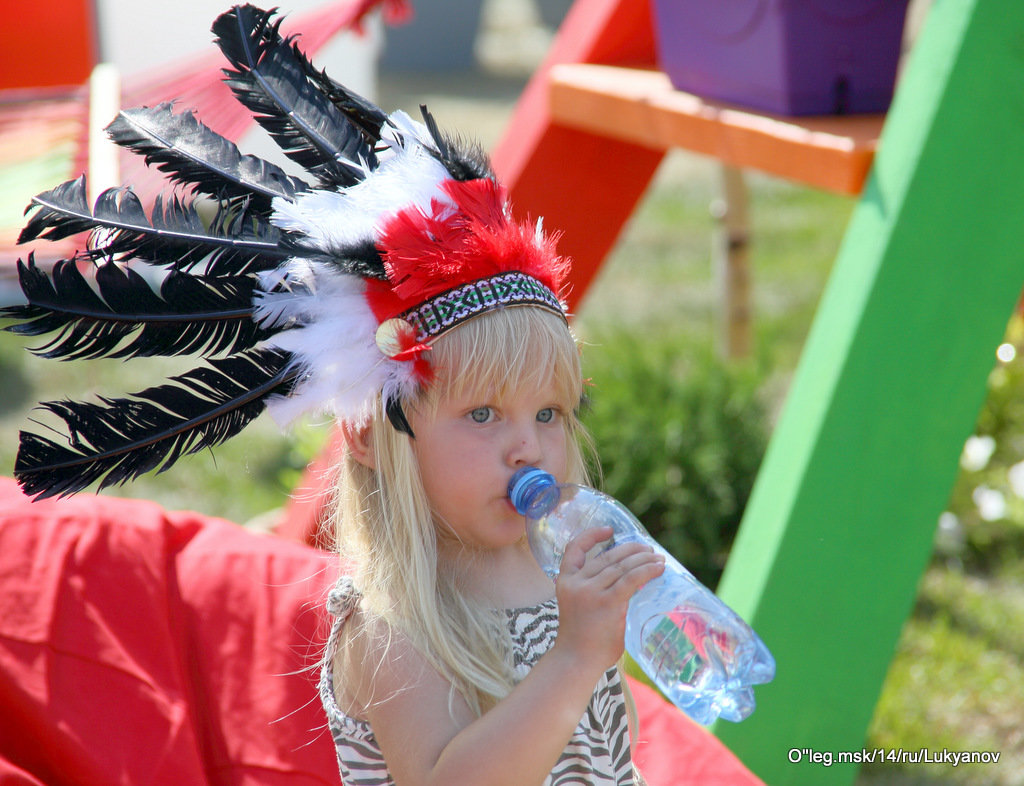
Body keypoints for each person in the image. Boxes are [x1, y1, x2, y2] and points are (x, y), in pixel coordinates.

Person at [2, 4, 661, 784]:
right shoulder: (397, 627)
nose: (529, 445)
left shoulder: (555, 570)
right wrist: (578, 658)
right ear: (370, 437)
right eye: (482, 414)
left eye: (548, 414)